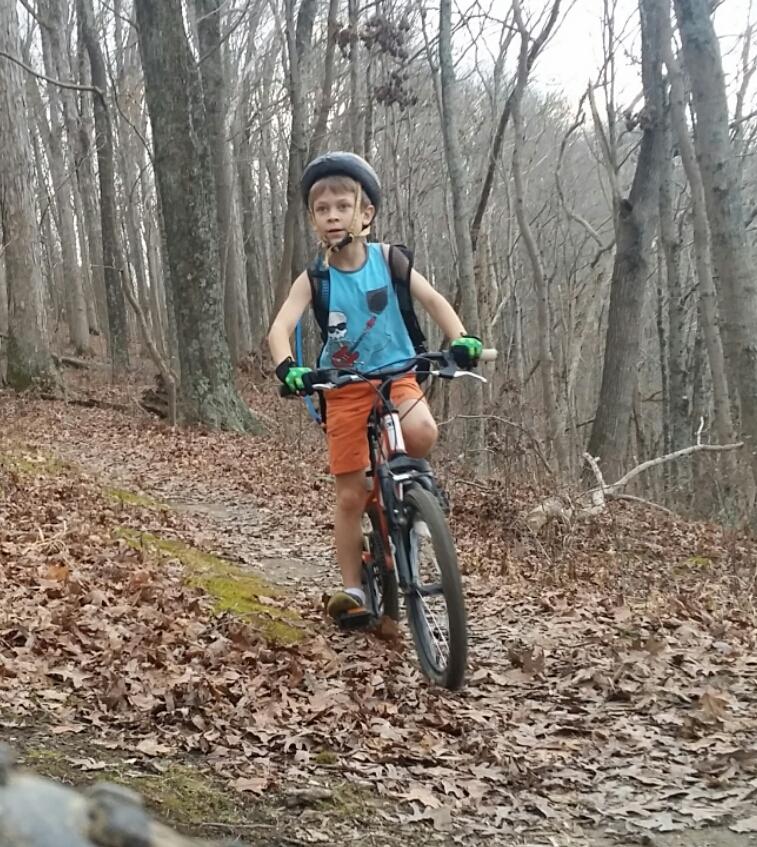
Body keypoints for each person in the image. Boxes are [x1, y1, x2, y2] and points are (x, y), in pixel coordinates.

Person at [268, 152, 482, 622]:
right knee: (350, 495)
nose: (332, 216)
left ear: (365, 214)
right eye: (322, 210)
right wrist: (289, 368)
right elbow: (280, 327)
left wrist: (461, 338)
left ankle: (410, 495)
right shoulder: (315, 278)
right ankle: (354, 589)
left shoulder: (389, 260)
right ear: (313, 220)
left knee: (421, 431)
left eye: (342, 206)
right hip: (342, 388)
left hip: (397, 374)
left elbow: (433, 300)